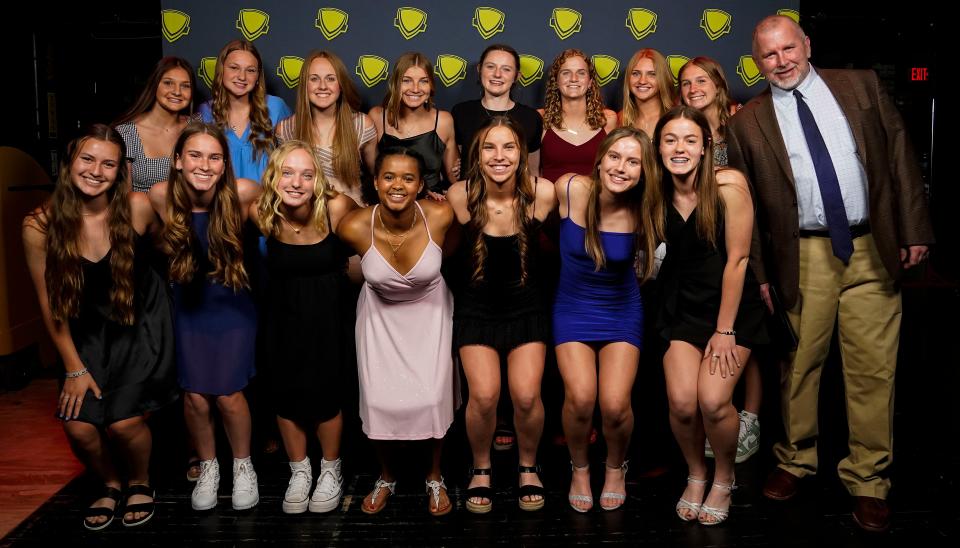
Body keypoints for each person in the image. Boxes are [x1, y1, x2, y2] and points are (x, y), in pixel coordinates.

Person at [726, 15, 934, 533]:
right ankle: (796, 459)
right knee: (799, 364)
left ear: (807, 44)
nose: (782, 62)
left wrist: (914, 229)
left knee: (873, 370)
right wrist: (762, 274)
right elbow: (745, 205)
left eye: (789, 49)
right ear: (758, 62)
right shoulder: (747, 121)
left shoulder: (858, 84)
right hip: (804, 255)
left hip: (870, 245)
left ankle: (868, 479)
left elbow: (900, 153)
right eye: (769, 55)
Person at [23, 124, 177, 529]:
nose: (96, 170)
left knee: (123, 423)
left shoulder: (139, 206)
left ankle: (141, 481)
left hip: (139, 322)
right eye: (87, 159)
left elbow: (165, 247)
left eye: (108, 163)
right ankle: (110, 483)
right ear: (69, 163)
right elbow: (48, 304)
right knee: (79, 430)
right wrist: (73, 368)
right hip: (84, 333)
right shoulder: (39, 225)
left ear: (121, 169)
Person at [643, 106, 768, 525]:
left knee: (713, 402)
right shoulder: (655, 191)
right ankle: (697, 474)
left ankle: (724, 477)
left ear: (705, 147)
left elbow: (739, 260)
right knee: (681, 403)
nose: (680, 148)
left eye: (689, 140)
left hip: (730, 309)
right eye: (670, 140)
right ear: (658, 147)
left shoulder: (728, 185)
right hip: (681, 307)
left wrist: (725, 330)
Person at [337, 146, 457, 517]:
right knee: (379, 401)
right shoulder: (354, 225)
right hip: (379, 319)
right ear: (375, 182)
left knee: (432, 398)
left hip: (431, 314)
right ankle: (387, 476)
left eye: (408, 178)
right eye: (389, 176)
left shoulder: (440, 214)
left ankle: (434, 476)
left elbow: (450, 253)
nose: (398, 185)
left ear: (422, 185)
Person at [148, 122, 263, 511]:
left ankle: (244, 467)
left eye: (214, 157)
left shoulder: (244, 193)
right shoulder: (161, 196)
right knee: (196, 396)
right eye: (194, 155)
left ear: (224, 163)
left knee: (229, 395)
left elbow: (293, 205)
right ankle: (210, 466)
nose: (204, 164)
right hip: (189, 308)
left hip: (233, 306)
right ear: (178, 160)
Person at [446, 116, 556, 513]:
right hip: (476, 308)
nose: (499, 156)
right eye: (489, 148)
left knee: (526, 396)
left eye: (508, 147)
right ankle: (482, 467)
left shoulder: (542, 193)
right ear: (476, 155)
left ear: (522, 153)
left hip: (526, 305)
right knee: (485, 395)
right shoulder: (460, 195)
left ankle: (528, 465)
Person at [248, 141, 357, 514]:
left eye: (307, 175)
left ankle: (330, 469)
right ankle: (299, 470)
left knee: (328, 394)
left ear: (317, 180)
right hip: (281, 314)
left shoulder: (337, 207)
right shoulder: (261, 213)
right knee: (284, 392)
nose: (296, 182)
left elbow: (377, 234)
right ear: (274, 176)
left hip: (329, 313)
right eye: (288, 173)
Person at [553, 127, 653, 512]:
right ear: (600, 159)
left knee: (614, 404)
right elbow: (514, 201)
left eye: (633, 161)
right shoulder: (570, 188)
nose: (621, 168)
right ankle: (579, 469)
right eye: (614, 157)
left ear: (644, 171)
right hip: (573, 308)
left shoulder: (647, 206)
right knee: (580, 398)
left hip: (621, 309)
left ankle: (615, 467)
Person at [678, 56, 762, 464]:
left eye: (702, 80)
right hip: (699, 251)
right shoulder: (683, 133)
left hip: (743, 240)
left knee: (752, 337)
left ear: (718, 83)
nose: (694, 88)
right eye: (686, 82)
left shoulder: (740, 125)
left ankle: (749, 416)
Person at [276, 50, 377, 206]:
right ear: (305, 85)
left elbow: (377, 174)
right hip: (305, 216)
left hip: (349, 216)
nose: (322, 86)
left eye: (330, 79)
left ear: (341, 85)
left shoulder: (362, 125)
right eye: (314, 79)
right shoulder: (286, 129)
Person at [197, 39, 292, 183]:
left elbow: (294, 158)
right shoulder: (205, 111)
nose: (242, 77)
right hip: (221, 199)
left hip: (264, 200)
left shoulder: (275, 107)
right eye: (234, 68)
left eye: (250, 70)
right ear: (222, 70)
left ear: (258, 77)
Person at [369, 53, 459, 200]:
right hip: (389, 199)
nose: (415, 89)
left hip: (430, 202)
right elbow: (371, 172)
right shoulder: (377, 117)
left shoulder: (443, 121)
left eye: (423, 81)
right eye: (407, 81)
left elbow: (453, 176)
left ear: (431, 85)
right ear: (396, 83)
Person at [452, 44, 544, 181]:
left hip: (516, 199)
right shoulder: (461, 112)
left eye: (506, 69)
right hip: (470, 196)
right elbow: (456, 164)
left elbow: (533, 172)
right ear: (479, 69)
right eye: (490, 67)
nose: (497, 74)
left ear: (516, 76)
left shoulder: (531, 118)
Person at [114, 57, 195, 192]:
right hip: (143, 210)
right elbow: (125, 198)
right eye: (168, 83)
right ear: (154, 85)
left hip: (187, 209)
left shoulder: (195, 127)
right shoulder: (127, 133)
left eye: (185, 86)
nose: (177, 92)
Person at [538, 49, 618, 182]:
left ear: (590, 82)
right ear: (556, 81)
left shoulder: (608, 119)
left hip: (593, 200)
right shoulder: (540, 118)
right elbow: (533, 174)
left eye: (581, 73)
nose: (574, 79)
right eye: (566, 73)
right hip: (550, 200)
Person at [619, 48, 676, 137]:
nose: (642, 81)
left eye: (652, 74)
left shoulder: (676, 118)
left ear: (663, 79)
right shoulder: (621, 119)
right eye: (636, 73)